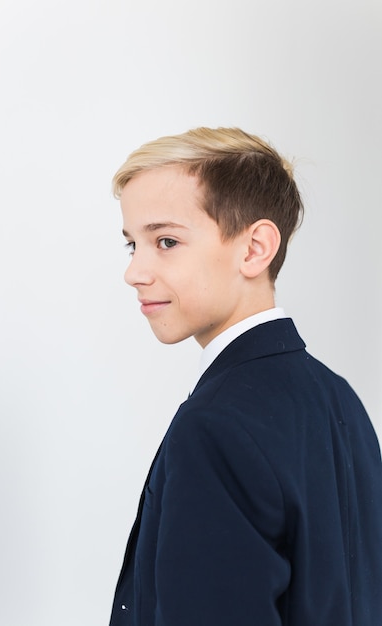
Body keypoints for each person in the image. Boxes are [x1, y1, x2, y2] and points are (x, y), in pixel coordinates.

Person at [109, 127, 382, 626]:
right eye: (133, 245)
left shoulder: (214, 425)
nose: (135, 271)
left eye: (165, 240)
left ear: (255, 248)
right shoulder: (340, 399)